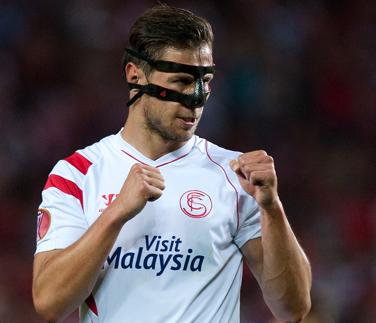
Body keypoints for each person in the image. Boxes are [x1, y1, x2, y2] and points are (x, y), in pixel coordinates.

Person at [32, 5, 312, 322]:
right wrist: (115, 214)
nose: (196, 97)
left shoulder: (237, 175)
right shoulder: (77, 174)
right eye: (181, 80)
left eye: (205, 81)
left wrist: (272, 208)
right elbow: (49, 303)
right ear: (134, 74)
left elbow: (293, 309)